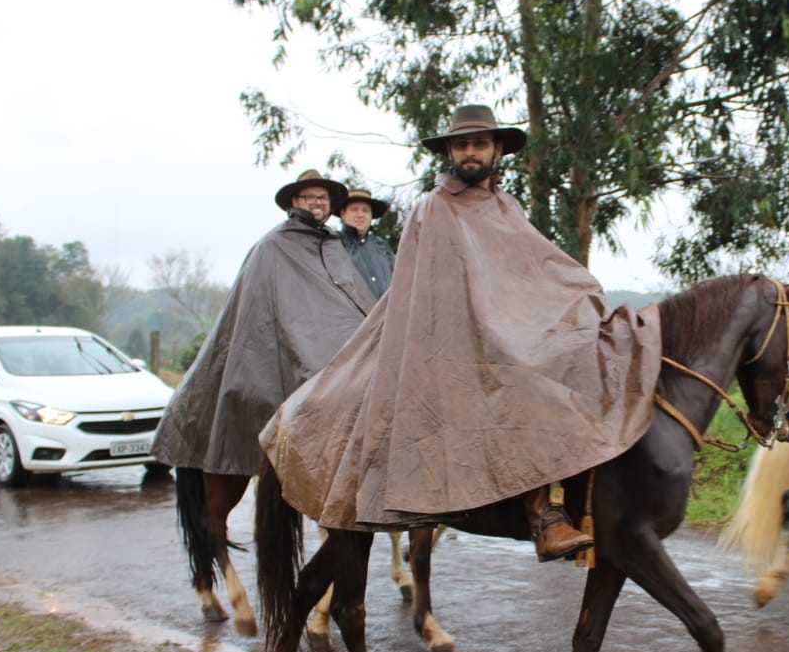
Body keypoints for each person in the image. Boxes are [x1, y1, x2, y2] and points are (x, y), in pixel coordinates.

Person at [260, 103, 661, 561]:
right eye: (462, 145)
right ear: (450, 152)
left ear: (496, 150)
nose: (471, 152)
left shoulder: (506, 208)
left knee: (573, 352)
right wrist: (492, 322)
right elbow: (433, 291)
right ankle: (541, 517)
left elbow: (534, 270)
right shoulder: (433, 209)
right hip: (446, 340)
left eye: (480, 144)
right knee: (518, 378)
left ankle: (593, 497)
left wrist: (576, 294)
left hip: (502, 327)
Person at [151, 169, 379, 476]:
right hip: (292, 353)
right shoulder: (273, 245)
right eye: (310, 196)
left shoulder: (334, 247)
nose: (317, 202)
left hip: (336, 353)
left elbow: (354, 304)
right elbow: (259, 311)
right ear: (294, 201)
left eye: (323, 197)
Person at [335, 186, 395, 299]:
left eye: (365, 210)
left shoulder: (381, 246)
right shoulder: (333, 244)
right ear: (343, 213)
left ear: (371, 215)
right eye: (354, 209)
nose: (360, 215)